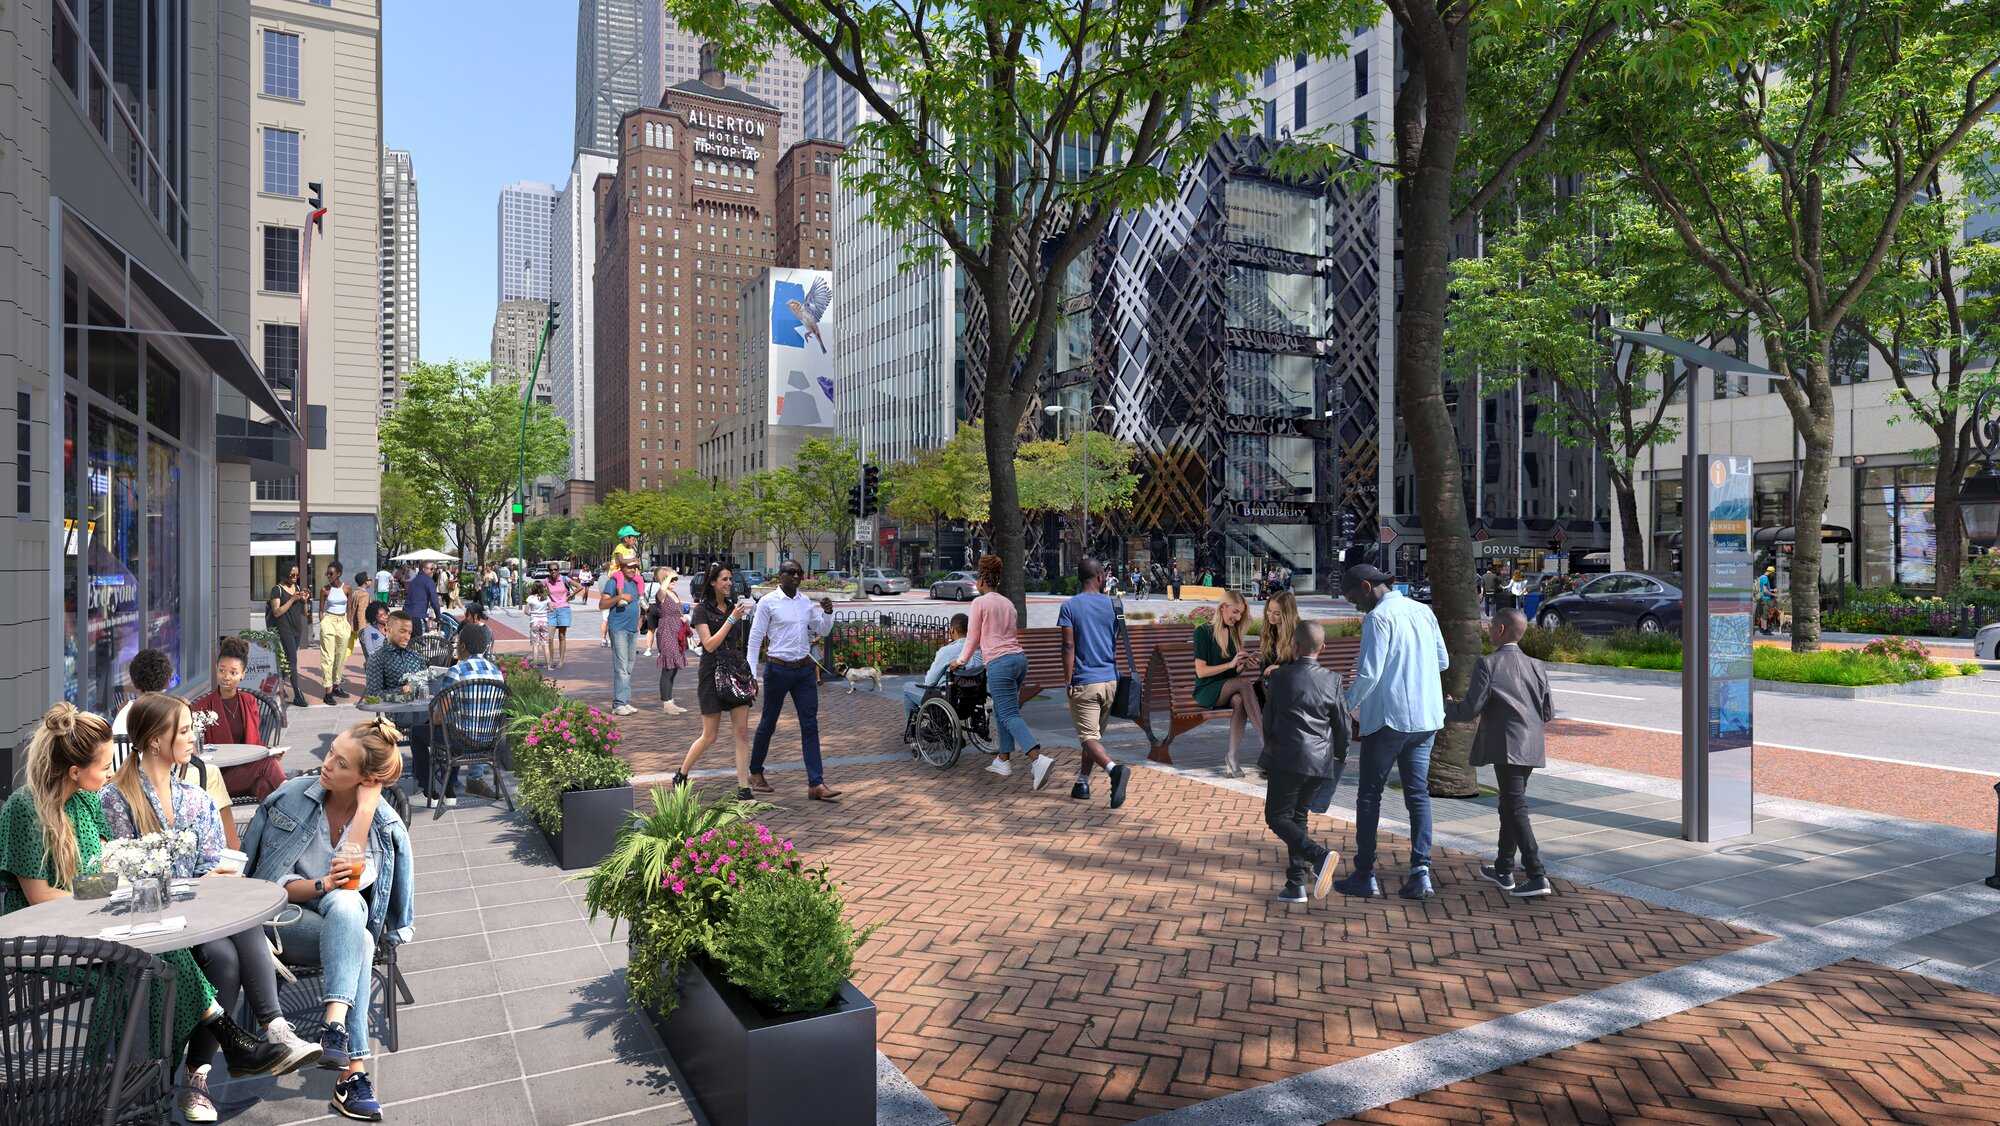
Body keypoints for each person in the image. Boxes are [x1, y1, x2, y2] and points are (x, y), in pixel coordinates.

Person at [1, 704, 297, 1120]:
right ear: (72, 771)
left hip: (90, 920)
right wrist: (113, 890)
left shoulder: (84, 803)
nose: (109, 775)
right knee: (148, 962)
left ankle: (149, 1076)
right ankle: (168, 1064)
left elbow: (96, 875)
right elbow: (41, 900)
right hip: (41, 939)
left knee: (159, 951)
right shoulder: (25, 811)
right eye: (104, 766)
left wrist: (128, 886)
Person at [101, 695, 323, 1116]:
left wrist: (216, 876)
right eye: (183, 731)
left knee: (233, 922)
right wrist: (198, 883)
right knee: (223, 960)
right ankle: (210, 1069)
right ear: (152, 740)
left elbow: (211, 860)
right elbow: (121, 873)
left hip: (201, 914)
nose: (193, 737)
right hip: (153, 922)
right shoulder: (117, 800)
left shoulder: (195, 798)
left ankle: (257, 1039)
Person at [243, 717, 414, 1123]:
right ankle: (350, 1067)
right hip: (283, 920)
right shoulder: (290, 798)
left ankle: (335, 1032)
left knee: (349, 907)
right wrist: (318, 884)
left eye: (341, 764)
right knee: (357, 931)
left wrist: (367, 809)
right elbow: (268, 885)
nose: (327, 765)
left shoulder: (381, 822)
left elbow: (353, 882)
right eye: (331, 754)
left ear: (365, 778)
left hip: (341, 920)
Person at [1335, 563, 1450, 902]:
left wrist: (1344, 704)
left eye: (1353, 597)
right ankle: (1421, 873)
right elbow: (1442, 661)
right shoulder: (1422, 611)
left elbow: (1370, 674)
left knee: (1370, 795)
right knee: (1418, 794)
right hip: (1426, 719)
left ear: (1367, 586)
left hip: (1389, 718)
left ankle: (1365, 873)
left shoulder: (1378, 618)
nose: (1354, 605)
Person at [1447, 608, 1555, 898]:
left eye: (1492, 626)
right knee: (1509, 804)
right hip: (1532, 744)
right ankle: (1504, 867)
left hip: (1508, 746)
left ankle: (1536, 874)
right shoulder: (1537, 665)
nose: (1489, 631)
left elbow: (1471, 708)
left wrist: (1446, 706)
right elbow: (1547, 711)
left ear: (1502, 630)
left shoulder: (1489, 664)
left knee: (1515, 807)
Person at [1260, 621, 1348, 903]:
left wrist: (1270, 748)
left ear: (1294, 646)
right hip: (1320, 761)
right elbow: (1342, 725)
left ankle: (1319, 857)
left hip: (1287, 758)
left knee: (1276, 817)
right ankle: (1295, 884)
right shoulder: (1332, 680)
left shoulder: (1280, 677)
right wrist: (1340, 755)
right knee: (1297, 818)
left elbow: (1268, 720)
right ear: (1323, 647)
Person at [950, 554, 1053, 788]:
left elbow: (972, 638)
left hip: (1000, 663)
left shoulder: (980, 603)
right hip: (1019, 660)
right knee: (1004, 709)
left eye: (977, 577)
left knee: (1008, 715)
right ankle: (1003, 759)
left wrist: (960, 660)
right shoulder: (1008, 603)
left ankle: (1037, 759)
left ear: (982, 580)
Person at [747, 560, 839, 801]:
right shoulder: (768, 602)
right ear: (781, 575)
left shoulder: (805, 602)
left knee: (810, 725)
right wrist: (752, 672)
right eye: (791, 573)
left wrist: (827, 613)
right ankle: (755, 772)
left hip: (804, 670)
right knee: (769, 722)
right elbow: (755, 638)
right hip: (778, 670)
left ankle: (816, 784)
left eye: (800, 573)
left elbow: (822, 630)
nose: (797, 576)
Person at [674, 562, 756, 798]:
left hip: (736, 673)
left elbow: (735, 643)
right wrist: (731, 619)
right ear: (713, 583)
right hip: (712, 674)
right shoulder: (702, 610)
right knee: (710, 735)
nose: (729, 583)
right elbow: (709, 644)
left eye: (731, 579)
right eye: (724, 579)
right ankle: (682, 773)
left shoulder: (732, 606)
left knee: (741, 732)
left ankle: (744, 787)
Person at [1058, 558, 1133, 808]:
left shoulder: (1070, 607)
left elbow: (1068, 645)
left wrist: (1068, 679)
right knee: (1093, 737)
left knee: (1087, 737)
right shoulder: (1114, 604)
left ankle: (1114, 770)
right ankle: (1082, 782)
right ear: (1100, 577)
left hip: (1085, 681)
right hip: (1110, 680)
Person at [188, 636, 290, 802]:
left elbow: (255, 742)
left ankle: (265, 825)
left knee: (264, 785)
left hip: (247, 771)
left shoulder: (249, 701)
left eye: (233, 672)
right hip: (218, 775)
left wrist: (270, 751)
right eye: (222, 670)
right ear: (216, 669)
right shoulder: (202, 707)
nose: (226, 676)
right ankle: (291, 794)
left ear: (243, 674)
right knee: (268, 765)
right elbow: (195, 749)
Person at [425, 619, 505, 808]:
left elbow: (439, 717)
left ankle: (430, 789)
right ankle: (461, 782)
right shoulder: (496, 672)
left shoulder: (456, 671)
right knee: (454, 727)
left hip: (463, 742)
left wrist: (430, 717)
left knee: (419, 733)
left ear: (462, 645)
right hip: (489, 741)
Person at [1192, 590, 1263, 778]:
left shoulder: (1234, 633)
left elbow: (1234, 674)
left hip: (1228, 687)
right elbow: (1201, 671)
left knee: (1240, 700)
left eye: (1241, 614)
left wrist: (1243, 664)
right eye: (1235, 612)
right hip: (1207, 689)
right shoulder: (1203, 632)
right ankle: (1265, 740)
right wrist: (1231, 664)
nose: (1238, 618)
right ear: (1223, 607)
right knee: (1244, 684)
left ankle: (1231, 757)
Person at [903, 613, 982, 729]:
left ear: (952, 630)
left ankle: (913, 730)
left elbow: (929, 682)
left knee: (907, 687)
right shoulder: (979, 649)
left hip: (947, 700)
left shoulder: (946, 651)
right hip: (972, 699)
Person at [599, 558, 645, 715]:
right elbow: (602, 605)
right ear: (622, 567)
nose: (633, 570)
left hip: (632, 630)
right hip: (618, 629)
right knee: (621, 667)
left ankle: (624, 701)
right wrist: (619, 597)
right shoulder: (613, 582)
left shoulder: (635, 583)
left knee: (629, 666)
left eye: (635, 567)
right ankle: (618, 704)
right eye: (630, 567)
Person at [112, 645, 176, 748]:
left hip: (122, 763)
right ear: (168, 682)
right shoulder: (173, 712)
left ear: (133, 682)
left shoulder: (124, 709)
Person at [268, 563, 310, 707]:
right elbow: (276, 612)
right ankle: (298, 694)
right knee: (292, 660)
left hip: (297, 630)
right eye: (292, 575)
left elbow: (304, 613)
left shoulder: (297, 588)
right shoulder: (277, 590)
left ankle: (275, 687)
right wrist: (292, 599)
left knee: (287, 662)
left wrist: (304, 602)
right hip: (284, 630)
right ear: (285, 573)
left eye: (297, 575)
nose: (295, 578)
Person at [320, 562, 361, 704]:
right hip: (329, 621)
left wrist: (349, 623)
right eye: (327, 573)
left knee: (341, 656)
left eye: (331, 573)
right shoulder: (324, 589)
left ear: (339, 573)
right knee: (328, 657)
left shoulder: (347, 588)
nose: (328, 576)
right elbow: (321, 609)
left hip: (342, 622)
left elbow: (350, 608)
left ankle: (336, 685)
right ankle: (328, 692)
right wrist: (322, 620)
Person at [655, 570, 689, 714]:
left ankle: (670, 700)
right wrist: (667, 577)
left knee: (674, 667)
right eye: (671, 579)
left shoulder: (674, 594)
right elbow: (662, 593)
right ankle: (666, 703)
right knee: (668, 668)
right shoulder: (661, 593)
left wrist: (683, 618)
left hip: (677, 632)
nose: (674, 581)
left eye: (675, 579)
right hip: (667, 631)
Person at [547, 567, 574, 669]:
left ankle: (561, 661)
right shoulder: (546, 581)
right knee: (550, 638)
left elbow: (580, 587)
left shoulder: (564, 579)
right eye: (551, 570)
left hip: (563, 609)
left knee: (562, 636)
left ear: (558, 570)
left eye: (555, 569)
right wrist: (546, 600)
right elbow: (536, 588)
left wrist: (570, 596)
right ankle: (551, 660)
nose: (553, 571)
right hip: (552, 610)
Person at [404, 561, 440, 633]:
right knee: (419, 641)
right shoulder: (429, 581)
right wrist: (438, 616)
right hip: (418, 616)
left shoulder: (414, 580)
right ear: (424, 569)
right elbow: (434, 601)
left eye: (434, 569)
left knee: (408, 641)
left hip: (405, 614)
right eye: (431, 569)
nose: (433, 571)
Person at [525, 582, 554, 667]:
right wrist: (545, 611)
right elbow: (551, 609)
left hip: (534, 622)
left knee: (535, 644)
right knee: (545, 644)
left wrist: (532, 613)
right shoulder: (546, 598)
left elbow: (526, 611)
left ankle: (535, 665)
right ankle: (548, 665)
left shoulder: (530, 598)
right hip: (544, 621)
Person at [1757, 566, 1780, 635]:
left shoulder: (1761, 577)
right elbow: (1765, 591)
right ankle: (1764, 630)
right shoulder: (1765, 578)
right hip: (1765, 599)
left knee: (1763, 614)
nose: (1773, 575)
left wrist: (1773, 590)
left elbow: (1764, 589)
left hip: (1762, 598)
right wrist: (1774, 595)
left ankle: (1762, 629)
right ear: (1771, 572)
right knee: (1765, 615)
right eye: (1773, 573)